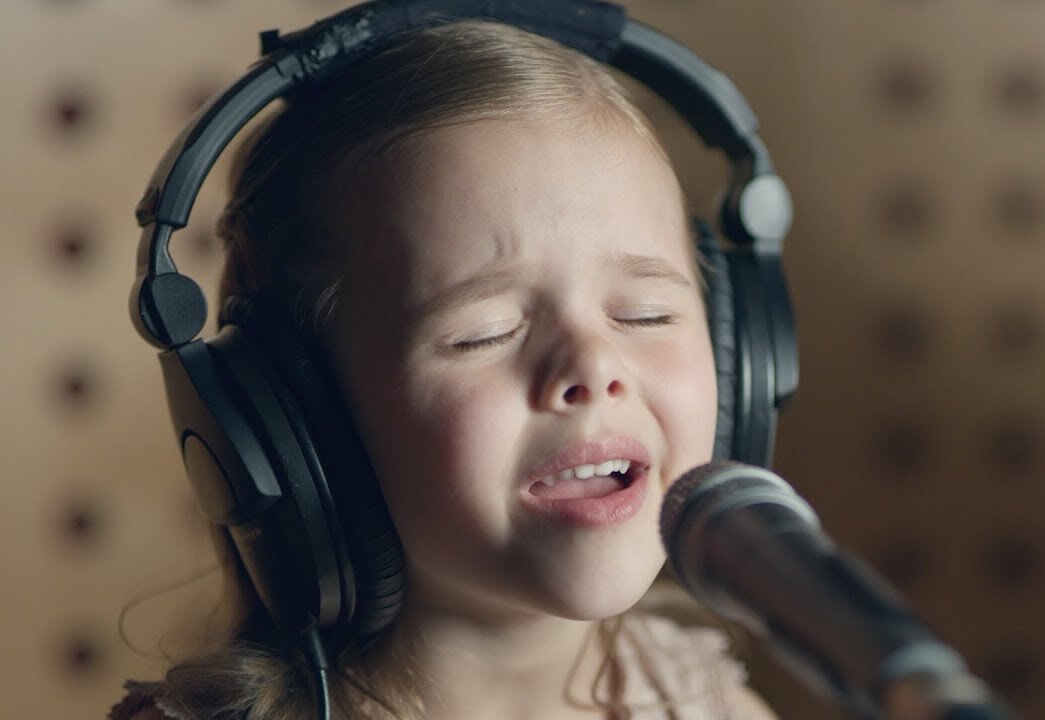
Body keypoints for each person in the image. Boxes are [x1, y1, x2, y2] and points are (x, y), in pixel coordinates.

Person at [111, 16, 780, 720]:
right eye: (483, 333)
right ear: (303, 424)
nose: (593, 364)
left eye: (645, 313)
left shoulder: (711, 705)